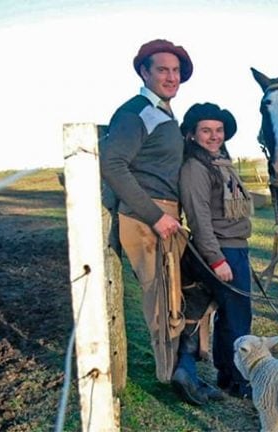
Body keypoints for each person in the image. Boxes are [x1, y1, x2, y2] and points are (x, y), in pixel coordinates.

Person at [100, 38, 219, 405]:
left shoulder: (164, 114)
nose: (171, 77)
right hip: (147, 218)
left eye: (176, 71)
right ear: (144, 72)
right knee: (163, 302)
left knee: (199, 286)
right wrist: (154, 216)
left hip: (166, 215)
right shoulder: (137, 112)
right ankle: (176, 377)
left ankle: (185, 366)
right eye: (162, 69)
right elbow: (112, 164)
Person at [179, 103, 254, 399]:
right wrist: (217, 260)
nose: (214, 136)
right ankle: (238, 380)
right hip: (220, 250)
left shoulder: (221, 163)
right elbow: (199, 217)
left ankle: (227, 374)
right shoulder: (195, 168)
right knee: (237, 317)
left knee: (233, 315)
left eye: (219, 130)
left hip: (235, 247)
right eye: (206, 130)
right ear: (193, 135)